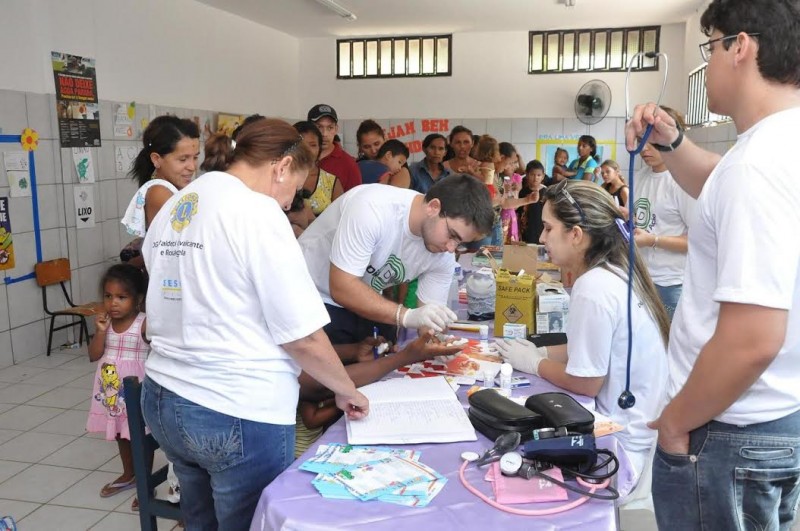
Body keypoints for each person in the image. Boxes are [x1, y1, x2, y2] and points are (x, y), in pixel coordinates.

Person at [141, 118, 369, 530]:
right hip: (235, 407)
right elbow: (302, 336)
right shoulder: (257, 211)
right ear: (281, 166)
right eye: (293, 189)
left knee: (199, 519)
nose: (288, 202)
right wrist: (345, 389)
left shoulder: (180, 200)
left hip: (163, 397)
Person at [627, 1, 800, 528]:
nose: (708, 65)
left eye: (712, 47)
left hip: (727, 431)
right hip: (777, 415)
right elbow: (718, 187)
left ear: (740, 47)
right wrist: (673, 143)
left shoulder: (757, 165)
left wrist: (677, 422)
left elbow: (752, 339)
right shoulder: (778, 146)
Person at [496, 180, 670, 486]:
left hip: (617, 452)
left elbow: (586, 382)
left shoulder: (595, 287)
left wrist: (534, 363)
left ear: (576, 235)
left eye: (548, 228)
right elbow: (591, 347)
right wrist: (540, 351)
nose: (540, 237)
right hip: (635, 437)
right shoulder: (614, 272)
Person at [298, 174, 495, 346]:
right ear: (434, 207)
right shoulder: (373, 208)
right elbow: (341, 287)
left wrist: (436, 340)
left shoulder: (444, 253)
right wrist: (406, 316)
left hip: (363, 299)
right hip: (312, 296)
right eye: (452, 235)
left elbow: (430, 317)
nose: (451, 248)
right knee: (326, 383)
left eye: (460, 243)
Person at [86, 264, 149, 508]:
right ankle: (129, 474)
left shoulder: (144, 324)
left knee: (140, 435)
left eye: (122, 297)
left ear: (138, 300)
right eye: (108, 296)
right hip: (111, 385)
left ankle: (145, 485)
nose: (113, 303)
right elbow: (93, 355)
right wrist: (100, 332)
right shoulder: (106, 323)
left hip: (137, 388)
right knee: (122, 432)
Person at [632, 107, 696, 320]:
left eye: (652, 141)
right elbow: (645, 219)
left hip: (670, 283)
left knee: (668, 345)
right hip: (641, 278)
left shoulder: (682, 181)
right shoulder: (641, 176)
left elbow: (696, 240)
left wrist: (653, 240)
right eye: (641, 140)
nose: (644, 148)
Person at [120, 116, 200, 268]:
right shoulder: (159, 192)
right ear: (157, 159)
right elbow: (179, 247)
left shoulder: (174, 188)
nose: (192, 167)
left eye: (195, 157)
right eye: (183, 159)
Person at [307, 104, 361, 192]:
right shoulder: (298, 158)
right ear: (308, 128)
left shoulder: (349, 164)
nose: (324, 134)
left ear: (336, 129)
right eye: (319, 127)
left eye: (330, 128)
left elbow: (354, 201)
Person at [294, 120, 343, 216]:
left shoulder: (331, 182)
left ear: (319, 148)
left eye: (313, 145)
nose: (307, 150)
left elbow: (339, 218)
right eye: (301, 145)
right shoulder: (280, 177)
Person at [518, 160, 547, 244]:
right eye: (532, 175)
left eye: (538, 175)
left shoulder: (546, 193)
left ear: (543, 176)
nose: (535, 178)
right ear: (527, 175)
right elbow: (518, 213)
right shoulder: (522, 192)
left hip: (541, 231)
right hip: (525, 232)